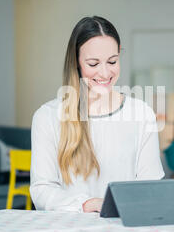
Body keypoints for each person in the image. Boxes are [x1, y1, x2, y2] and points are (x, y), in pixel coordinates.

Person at [30, 16, 165, 213]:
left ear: (119, 55)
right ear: (76, 62)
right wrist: (88, 204)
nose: (104, 73)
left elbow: (150, 187)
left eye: (112, 61)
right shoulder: (47, 117)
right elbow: (42, 190)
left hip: (126, 230)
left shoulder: (142, 115)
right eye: (93, 64)